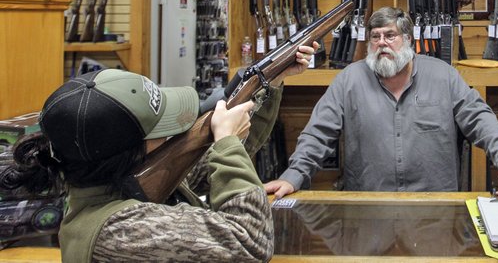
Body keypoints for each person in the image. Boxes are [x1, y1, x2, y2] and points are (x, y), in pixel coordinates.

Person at [0, 44, 316, 262]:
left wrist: (269, 83)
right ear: (130, 153)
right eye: (160, 131)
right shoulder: (120, 230)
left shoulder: (115, 182)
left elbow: (210, 165)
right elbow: (249, 241)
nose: (171, 135)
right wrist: (225, 143)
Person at [265, 7, 498, 200]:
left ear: (409, 41)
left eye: (390, 36)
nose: (382, 43)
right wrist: (294, 176)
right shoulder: (349, 81)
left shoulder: (444, 77)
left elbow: (482, 121)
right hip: (366, 211)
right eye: (375, 38)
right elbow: (317, 134)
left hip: (436, 211)